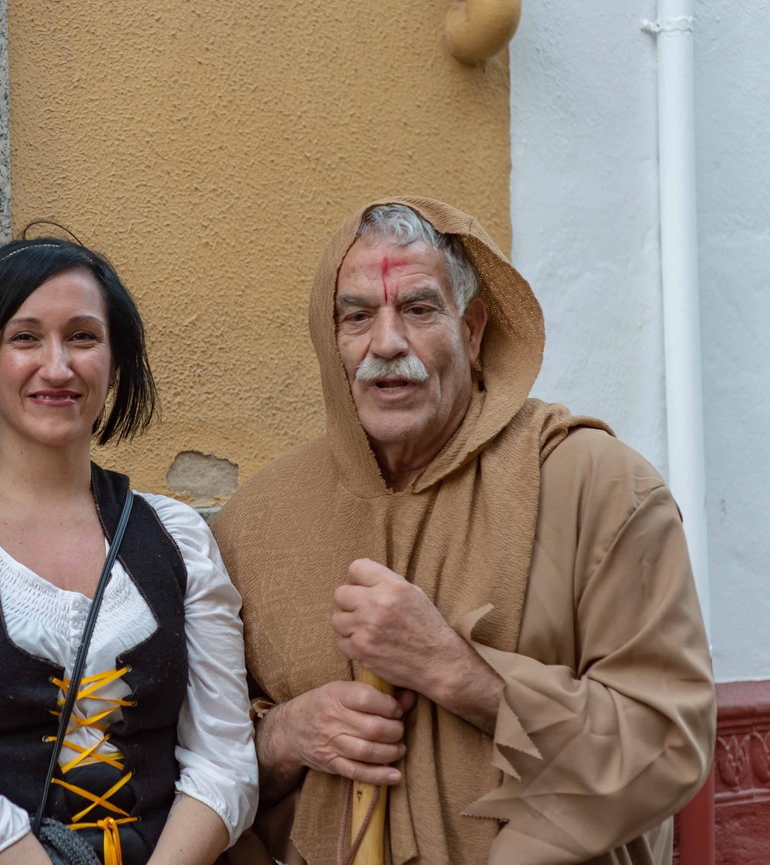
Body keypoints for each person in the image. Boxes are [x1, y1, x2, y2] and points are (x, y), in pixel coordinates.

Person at [212, 198, 715, 865]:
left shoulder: (599, 486)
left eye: (419, 310)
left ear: (472, 331)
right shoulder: (254, 522)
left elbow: (667, 744)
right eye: (357, 316)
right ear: (330, 341)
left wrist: (458, 671)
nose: (386, 344)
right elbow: (194, 771)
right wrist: (284, 737)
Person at [0, 237, 258, 865]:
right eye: (25, 338)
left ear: (114, 365)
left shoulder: (176, 536)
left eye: (83, 337)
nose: (58, 366)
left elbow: (225, 760)